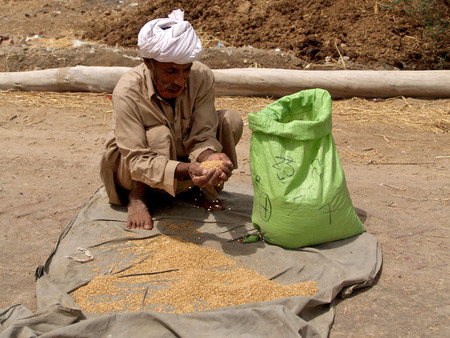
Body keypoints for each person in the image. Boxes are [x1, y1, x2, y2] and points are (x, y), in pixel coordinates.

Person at [100, 10, 243, 231]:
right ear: (148, 63)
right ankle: (138, 198)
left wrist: (209, 157)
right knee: (159, 134)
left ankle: (197, 189)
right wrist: (188, 169)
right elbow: (137, 158)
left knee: (229, 120)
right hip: (133, 170)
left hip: (181, 159)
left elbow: (202, 134)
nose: (180, 81)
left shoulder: (202, 77)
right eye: (171, 71)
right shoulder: (128, 90)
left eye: (186, 70)